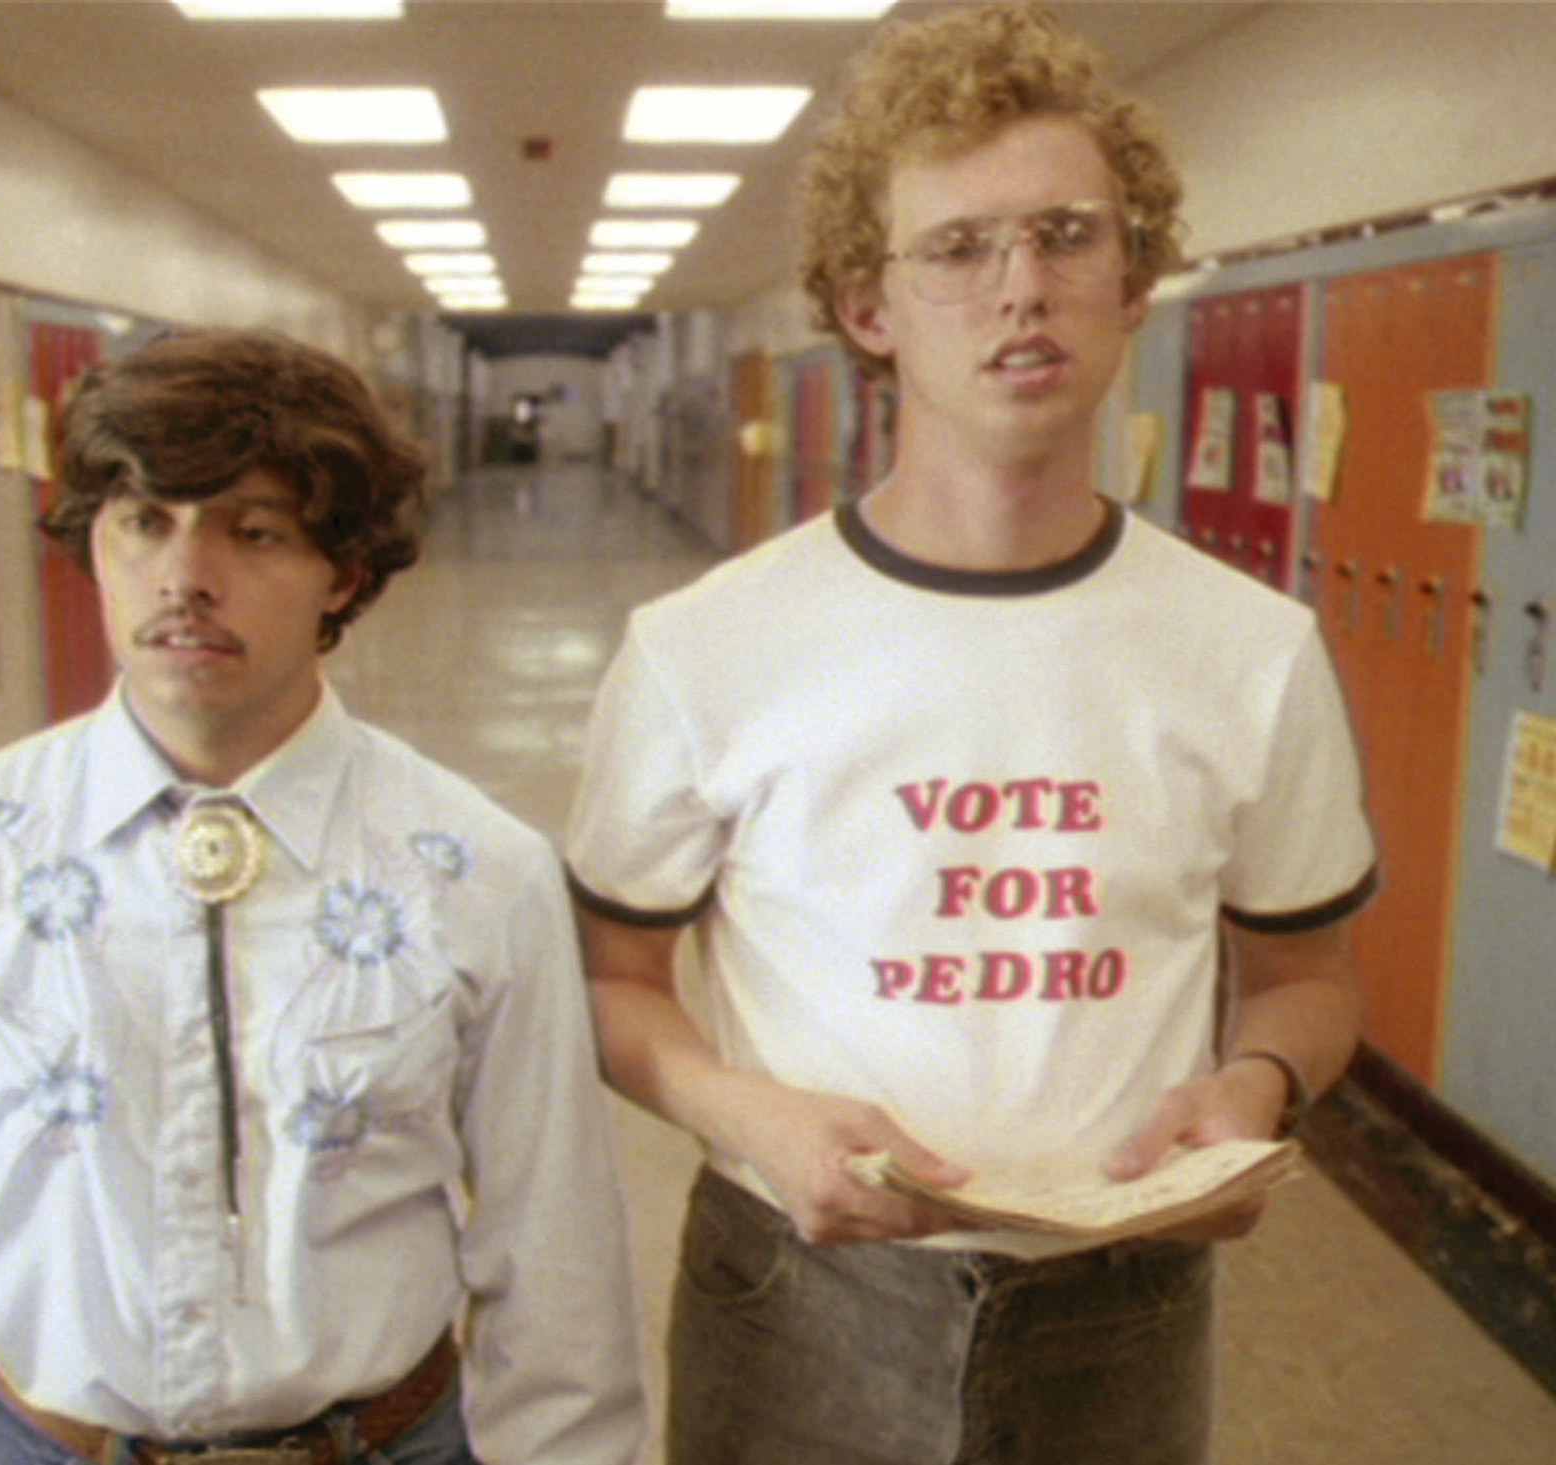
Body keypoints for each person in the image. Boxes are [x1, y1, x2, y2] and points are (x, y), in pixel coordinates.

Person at [562, 6, 1379, 1464]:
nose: (1024, 291)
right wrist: (747, 1113)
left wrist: (1254, 1088)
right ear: (867, 309)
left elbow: (1309, 976)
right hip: (793, 1291)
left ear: (1135, 284)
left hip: (1120, 1308)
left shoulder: (1251, 650)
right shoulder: (706, 646)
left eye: (1071, 236)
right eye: (958, 249)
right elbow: (615, 979)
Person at [0, 329, 644, 1465]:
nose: (185, 575)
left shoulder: (478, 867)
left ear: (346, 571)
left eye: (254, 531)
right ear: (93, 544)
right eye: (143, 522)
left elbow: (557, 1258)